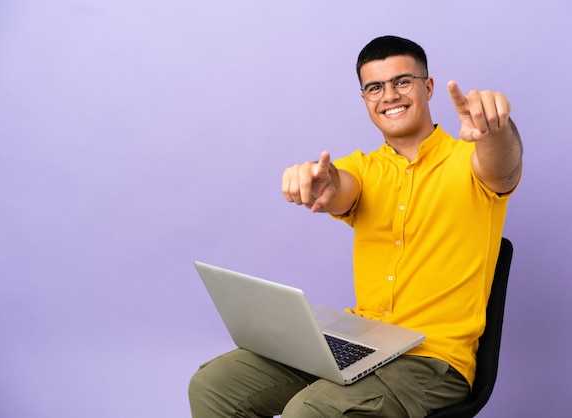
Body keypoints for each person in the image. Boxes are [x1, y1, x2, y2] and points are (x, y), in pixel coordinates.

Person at [188, 35, 523, 418]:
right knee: (214, 385)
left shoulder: (471, 161)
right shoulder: (363, 167)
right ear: (364, 98)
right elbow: (340, 187)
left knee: (309, 411)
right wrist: (323, 183)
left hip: (431, 360)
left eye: (402, 81)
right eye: (375, 87)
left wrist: (495, 130)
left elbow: (504, 165)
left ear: (427, 87)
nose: (389, 95)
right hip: (361, 341)